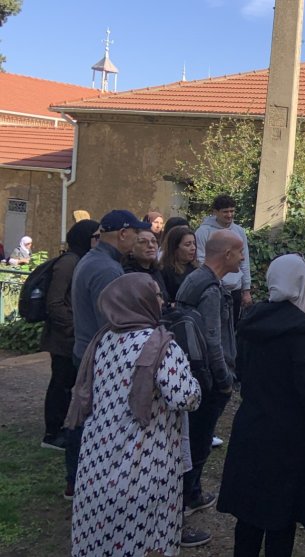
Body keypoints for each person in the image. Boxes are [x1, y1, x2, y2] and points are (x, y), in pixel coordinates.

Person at [218, 254, 305, 556]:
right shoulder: (304, 333)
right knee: (280, 515)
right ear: (301, 283)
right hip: (288, 436)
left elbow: (243, 371)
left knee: (249, 514)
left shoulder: (252, 320)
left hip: (252, 425)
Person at [67, 273, 201, 556]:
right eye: (156, 296)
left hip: (98, 458)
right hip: (145, 458)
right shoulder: (162, 346)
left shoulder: (102, 340)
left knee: (101, 537)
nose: (162, 301)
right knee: (145, 539)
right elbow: (186, 397)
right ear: (140, 301)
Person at [66, 209, 152, 499]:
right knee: (90, 418)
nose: (140, 238)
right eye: (137, 234)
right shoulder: (107, 269)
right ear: (123, 234)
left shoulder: (95, 259)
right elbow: (114, 320)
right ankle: (80, 481)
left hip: (86, 349)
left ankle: (77, 480)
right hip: (97, 355)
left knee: (84, 412)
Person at [176, 229, 242, 547]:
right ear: (226, 255)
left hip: (191, 373)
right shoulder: (211, 289)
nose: (243, 258)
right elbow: (213, 340)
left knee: (194, 440)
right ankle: (187, 501)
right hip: (206, 379)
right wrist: (224, 380)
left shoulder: (196, 278)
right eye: (239, 252)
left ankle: (193, 494)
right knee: (199, 443)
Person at [38, 220, 100, 451]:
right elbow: (54, 302)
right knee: (61, 385)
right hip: (63, 338)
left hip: (71, 335)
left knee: (69, 385)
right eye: (95, 236)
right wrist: (74, 327)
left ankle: (63, 427)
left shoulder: (82, 261)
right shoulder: (69, 263)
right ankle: (52, 433)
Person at [195, 194, 252, 325]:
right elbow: (201, 260)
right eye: (225, 211)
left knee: (232, 327)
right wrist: (214, 281)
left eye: (232, 211)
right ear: (215, 212)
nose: (229, 215)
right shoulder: (203, 232)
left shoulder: (239, 231)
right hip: (214, 289)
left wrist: (246, 290)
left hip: (235, 290)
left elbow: (244, 260)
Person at [124, 228, 169, 302]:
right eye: (143, 242)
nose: (151, 245)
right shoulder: (129, 275)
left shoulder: (157, 271)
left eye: (154, 241)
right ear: (131, 249)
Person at [160, 225, 199, 304]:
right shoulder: (164, 271)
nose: (193, 248)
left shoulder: (196, 269)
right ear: (175, 248)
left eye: (194, 243)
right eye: (188, 244)